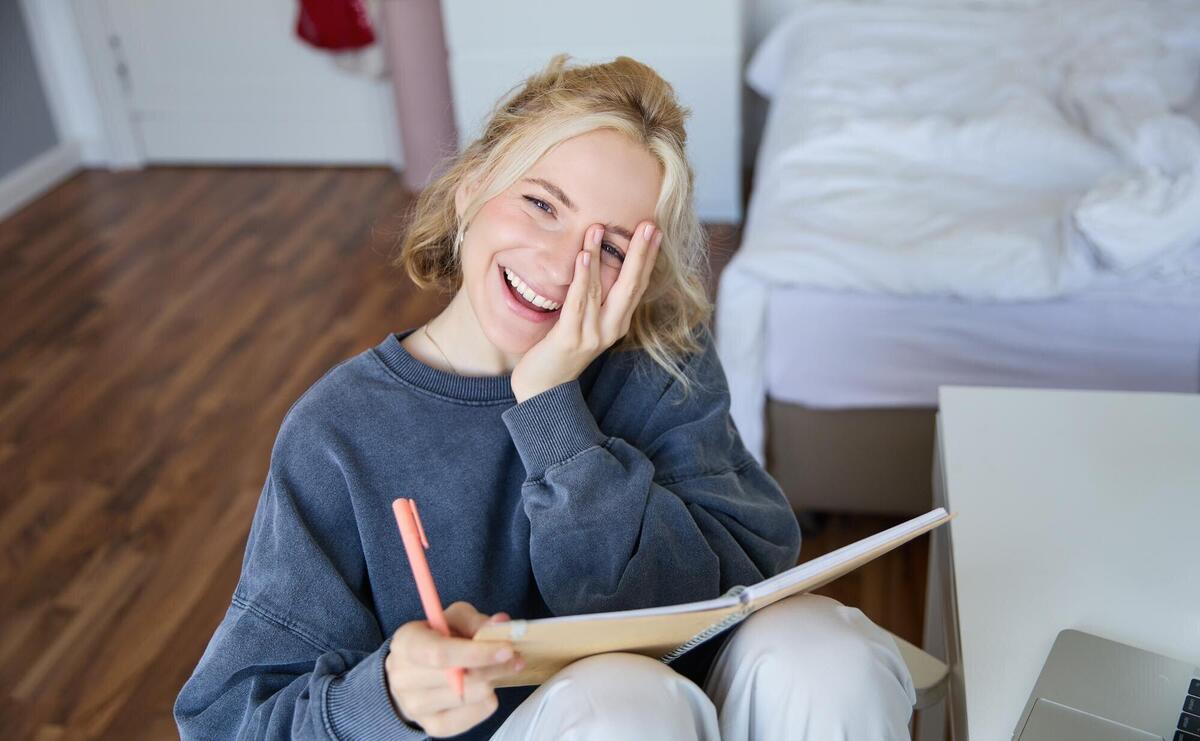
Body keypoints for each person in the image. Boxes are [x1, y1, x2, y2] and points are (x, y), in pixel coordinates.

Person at [174, 53, 916, 740]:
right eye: (541, 204)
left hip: (697, 709)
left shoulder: (663, 365)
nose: (565, 266)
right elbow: (229, 716)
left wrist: (552, 407)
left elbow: (744, 583)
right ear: (471, 189)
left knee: (828, 650)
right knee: (620, 701)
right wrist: (388, 697)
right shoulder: (340, 431)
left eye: (613, 247)